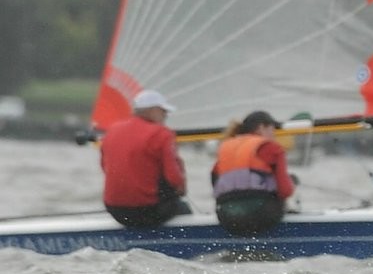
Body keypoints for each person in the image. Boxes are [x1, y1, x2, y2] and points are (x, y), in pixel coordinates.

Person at [101, 89, 190, 228]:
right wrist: (181, 186)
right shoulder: (162, 134)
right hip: (148, 211)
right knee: (183, 208)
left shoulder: (112, 130)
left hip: (115, 211)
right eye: (163, 111)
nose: (165, 115)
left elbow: (104, 167)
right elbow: (174, 178)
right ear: (153, 110)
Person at [211, 110, 296, 235]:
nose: (273, 135)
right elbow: (285, 191)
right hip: (261, 215)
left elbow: (215, 182)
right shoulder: (272, 148)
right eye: (272, 130)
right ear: (261, 128)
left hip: (226, 217)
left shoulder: (225, 147)